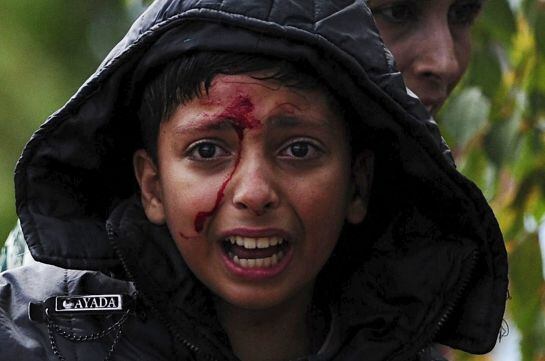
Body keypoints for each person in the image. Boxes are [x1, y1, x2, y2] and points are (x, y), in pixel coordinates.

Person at [0, 1, 507, 360]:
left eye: (299, 150)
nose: (255, 192)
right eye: (207, 151)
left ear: (358, 183)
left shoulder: (406, 340)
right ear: (151, 185)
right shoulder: (40, 330)